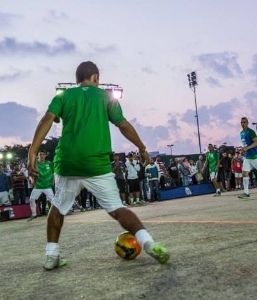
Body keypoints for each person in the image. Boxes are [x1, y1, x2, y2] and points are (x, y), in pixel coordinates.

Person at [27, 61, 169, 270]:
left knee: (57, 207)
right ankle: (148, 242)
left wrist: (32, 152)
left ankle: (51, 256)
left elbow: (47, 119)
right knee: (117, 208)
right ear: (96, 78)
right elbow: (122, 124)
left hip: (67, 163)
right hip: (96, 164)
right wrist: (141, 147)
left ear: (77, 79)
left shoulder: (63, 96)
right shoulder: (105, 96)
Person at [27, 151, 55, 221]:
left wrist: (53, 181)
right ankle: (34, 214)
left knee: (53, 201)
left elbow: (54, 173)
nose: (42, 155)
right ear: (37, 156)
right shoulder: (35, 164)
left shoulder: (49, 163)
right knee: (32, 199)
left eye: (43, 154)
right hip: (38, 186)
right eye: (40, 154)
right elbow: (30, 173)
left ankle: (54, 214)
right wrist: (32, 180)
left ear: (45, 155)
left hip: (47, 186)